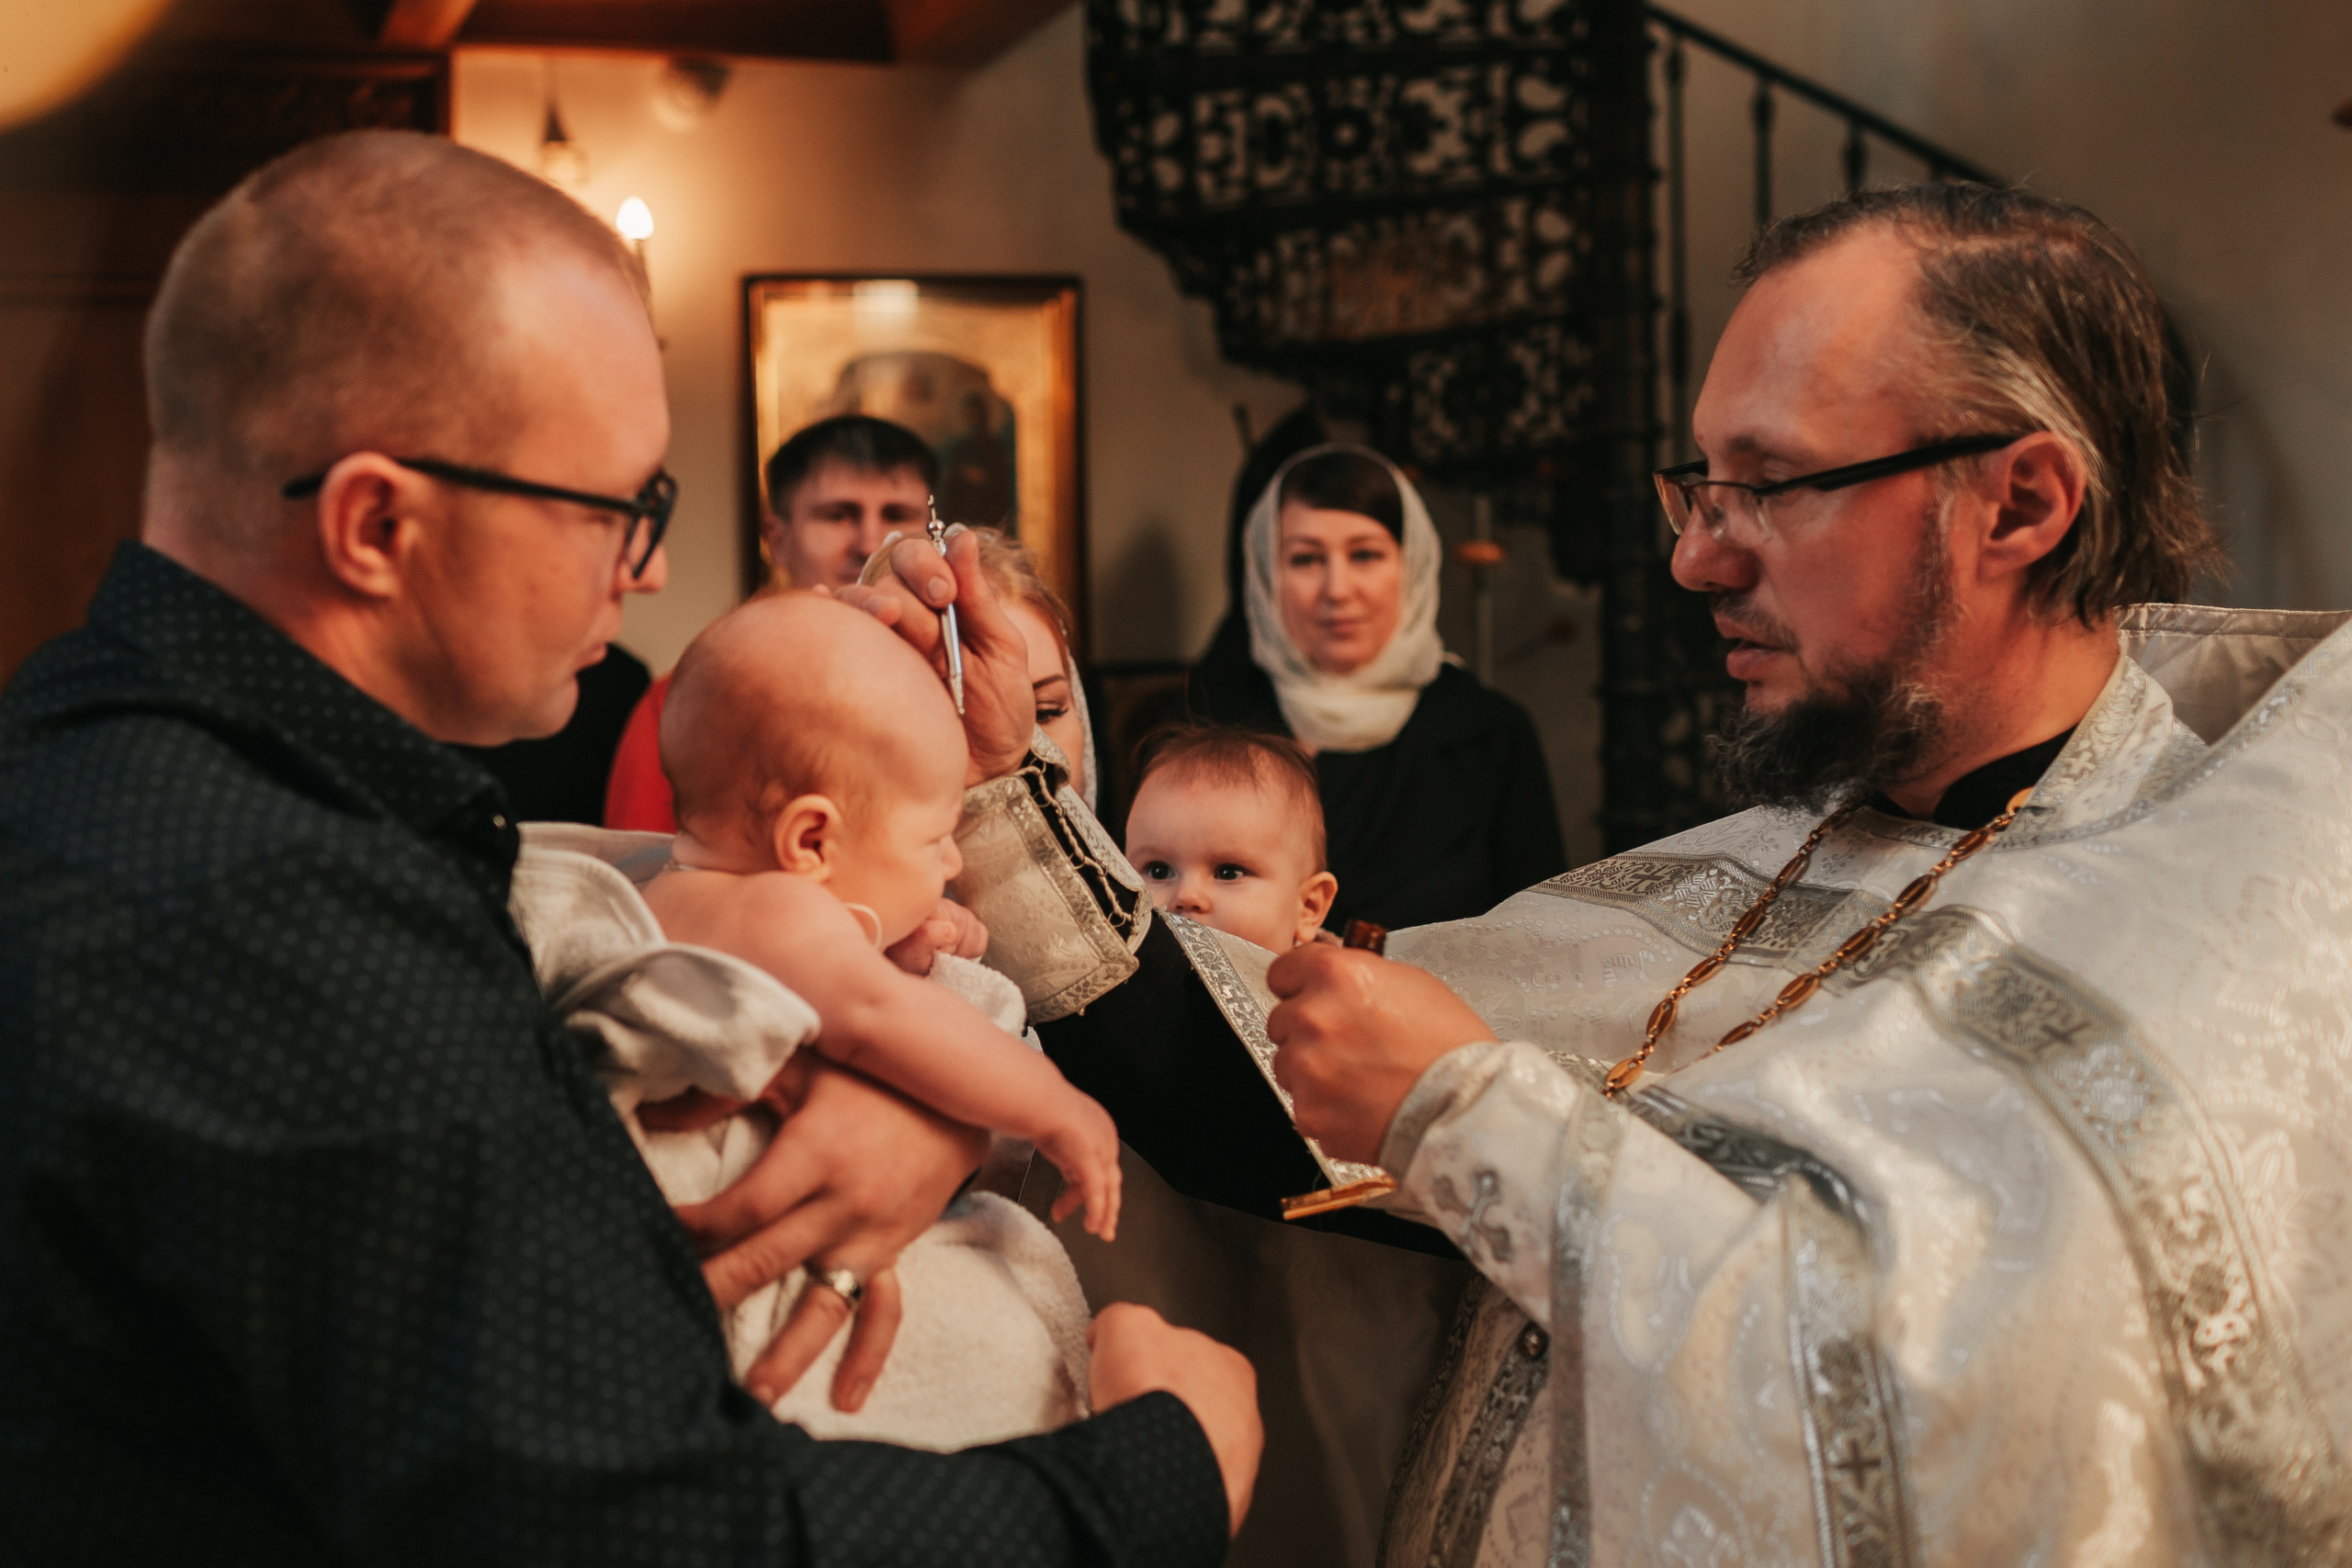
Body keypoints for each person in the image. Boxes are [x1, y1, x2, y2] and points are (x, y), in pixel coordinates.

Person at [847, 181, 2352, 1565]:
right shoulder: (1751, 865)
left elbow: (2003, 1416)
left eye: (1772, 486)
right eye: (1698, 488)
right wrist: (990, 780)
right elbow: (1262, 1114)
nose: (1697, 558)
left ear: (2021, 503)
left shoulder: (2220, 948)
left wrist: (1474, 1113)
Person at [0, 129, 1258, 1563]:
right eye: (616, 508)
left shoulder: (124, 748)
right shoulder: (270, 909)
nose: (649, 565)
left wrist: (915, 1045)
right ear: (374, 522)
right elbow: (641, 1528)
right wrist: (1160, 1473)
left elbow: (680, 903)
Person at [514, 591, 1125, 1450]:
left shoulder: (674, 890)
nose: (952, 863)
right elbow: (884, 1017)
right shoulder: (781, 914)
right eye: (937, 837)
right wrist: (1060, 1106)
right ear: (811, 842)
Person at [1183, 442, 1566, 932]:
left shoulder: (1488, 733)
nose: (1337, 589)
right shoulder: (1206, 723)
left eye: (1365, 555)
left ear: (1412, 567)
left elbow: (1543, 938)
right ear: (1264, 575)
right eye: (1305, 559)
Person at [604, 415, 936, 832]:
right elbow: (640, 881)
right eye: (837, 515)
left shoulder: (963, 684)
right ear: (777, 540)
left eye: (896, 515)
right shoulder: (690, 700)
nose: (869, 544)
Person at [1124, 724, 1337, 953]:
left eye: (1228, 873)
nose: (1186, 895)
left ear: (1307, 908)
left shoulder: (1338, 984)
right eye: (1159, 871)